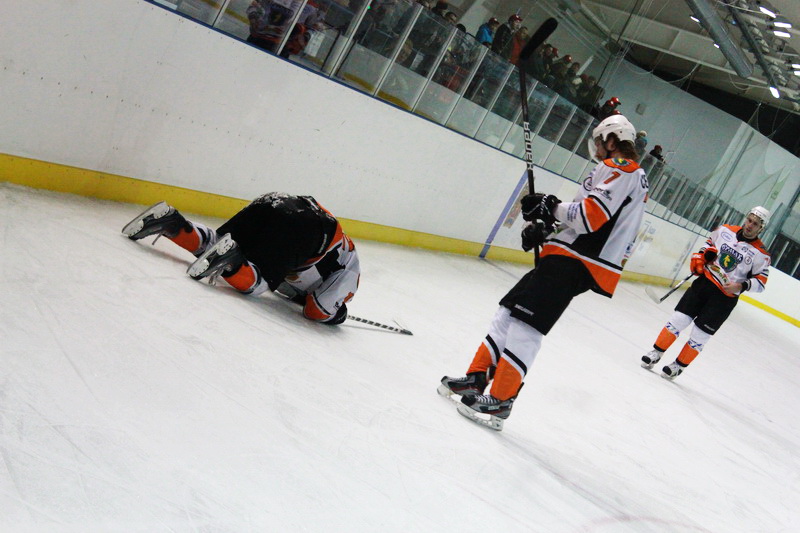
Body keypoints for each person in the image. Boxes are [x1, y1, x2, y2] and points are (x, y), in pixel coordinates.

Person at [438, 114, 648, 430]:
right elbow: (585, 222)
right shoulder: (622, 172)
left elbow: (591, 217)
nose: (596, 147)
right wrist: (547, 229)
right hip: (566, 255)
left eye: (599, 141)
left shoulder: (623, 168)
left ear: (611, 139)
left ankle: (501, 399)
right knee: (509, 312)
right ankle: (475, 378)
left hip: (579, 262)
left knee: (527, 323)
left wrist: (550, 206)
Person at [121, 193, 360, 325]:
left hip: (276, 201)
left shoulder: (338, 257)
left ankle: (170, 222)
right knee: (257, 284)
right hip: (308, 227)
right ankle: (231, 260)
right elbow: (317, 310)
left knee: (217, 243)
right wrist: (338, 315)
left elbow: (294, 289)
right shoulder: (350, 275)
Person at [641, 207, 771, 380]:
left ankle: (678, 366)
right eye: (749, 220)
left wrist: (741, 286)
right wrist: (701, 257)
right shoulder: (725, 230)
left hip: (724, 299)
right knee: (678, 319)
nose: (750, 225)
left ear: (761, 228)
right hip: (704, 284)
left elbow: (761, 283)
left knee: (700, 335)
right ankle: (656, 352)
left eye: (755, 224)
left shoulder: (761, 254)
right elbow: (709, 244)